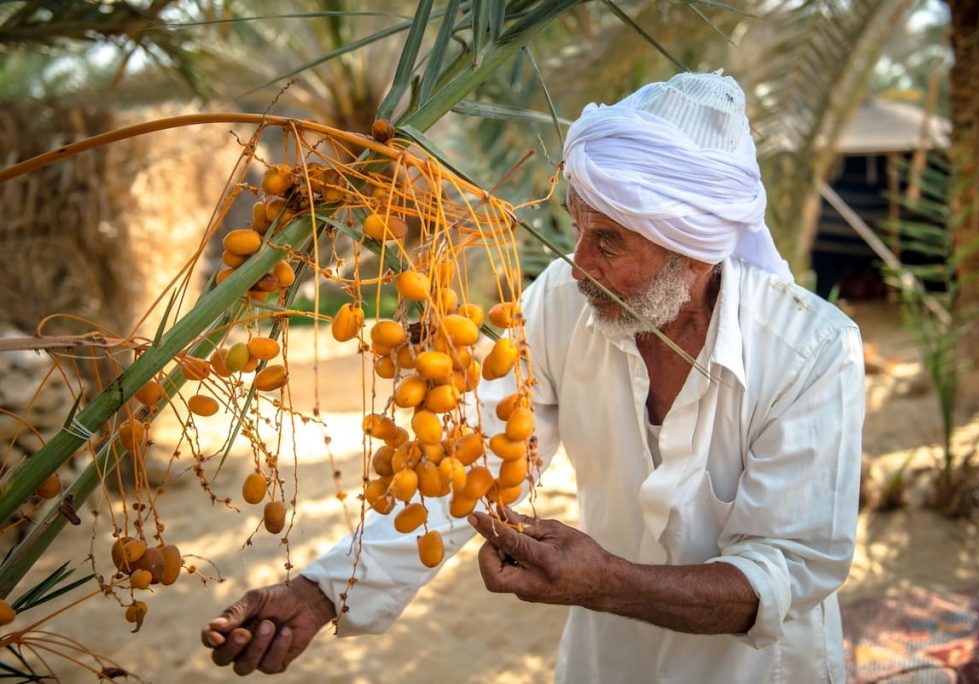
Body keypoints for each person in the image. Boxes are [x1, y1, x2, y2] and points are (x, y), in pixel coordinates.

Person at [201, 71, 865, 682]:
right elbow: (476, 464)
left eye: (607, 241)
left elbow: (786, 572)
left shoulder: (813, 351)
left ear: (696, 252)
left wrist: (605, 582)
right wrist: (321, 591)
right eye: (576, 229)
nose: (577, 265)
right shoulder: (561, 303)